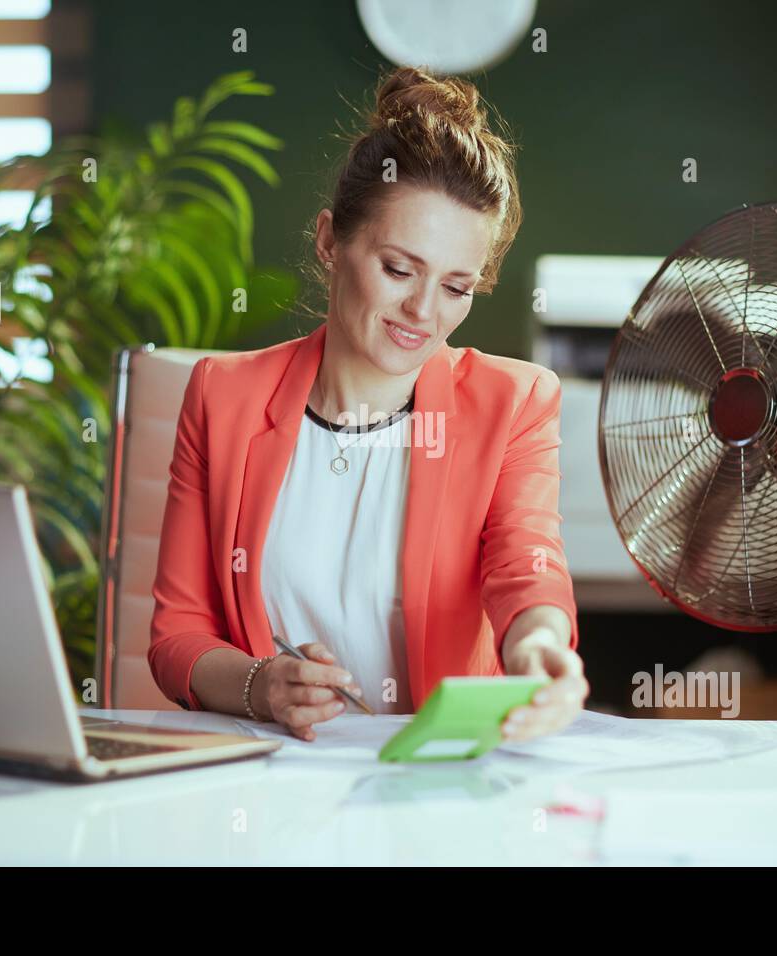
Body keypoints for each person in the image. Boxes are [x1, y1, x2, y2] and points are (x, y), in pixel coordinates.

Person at [149, 65, 588, 741]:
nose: (422, 311)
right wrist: (258, 687)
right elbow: (178, 631)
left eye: (457, 287)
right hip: (269, 780)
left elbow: (525, 567)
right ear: (331, 241)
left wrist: (536, 647)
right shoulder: (221, 395)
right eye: (398, 268)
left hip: (436, 782)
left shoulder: (515, 402)